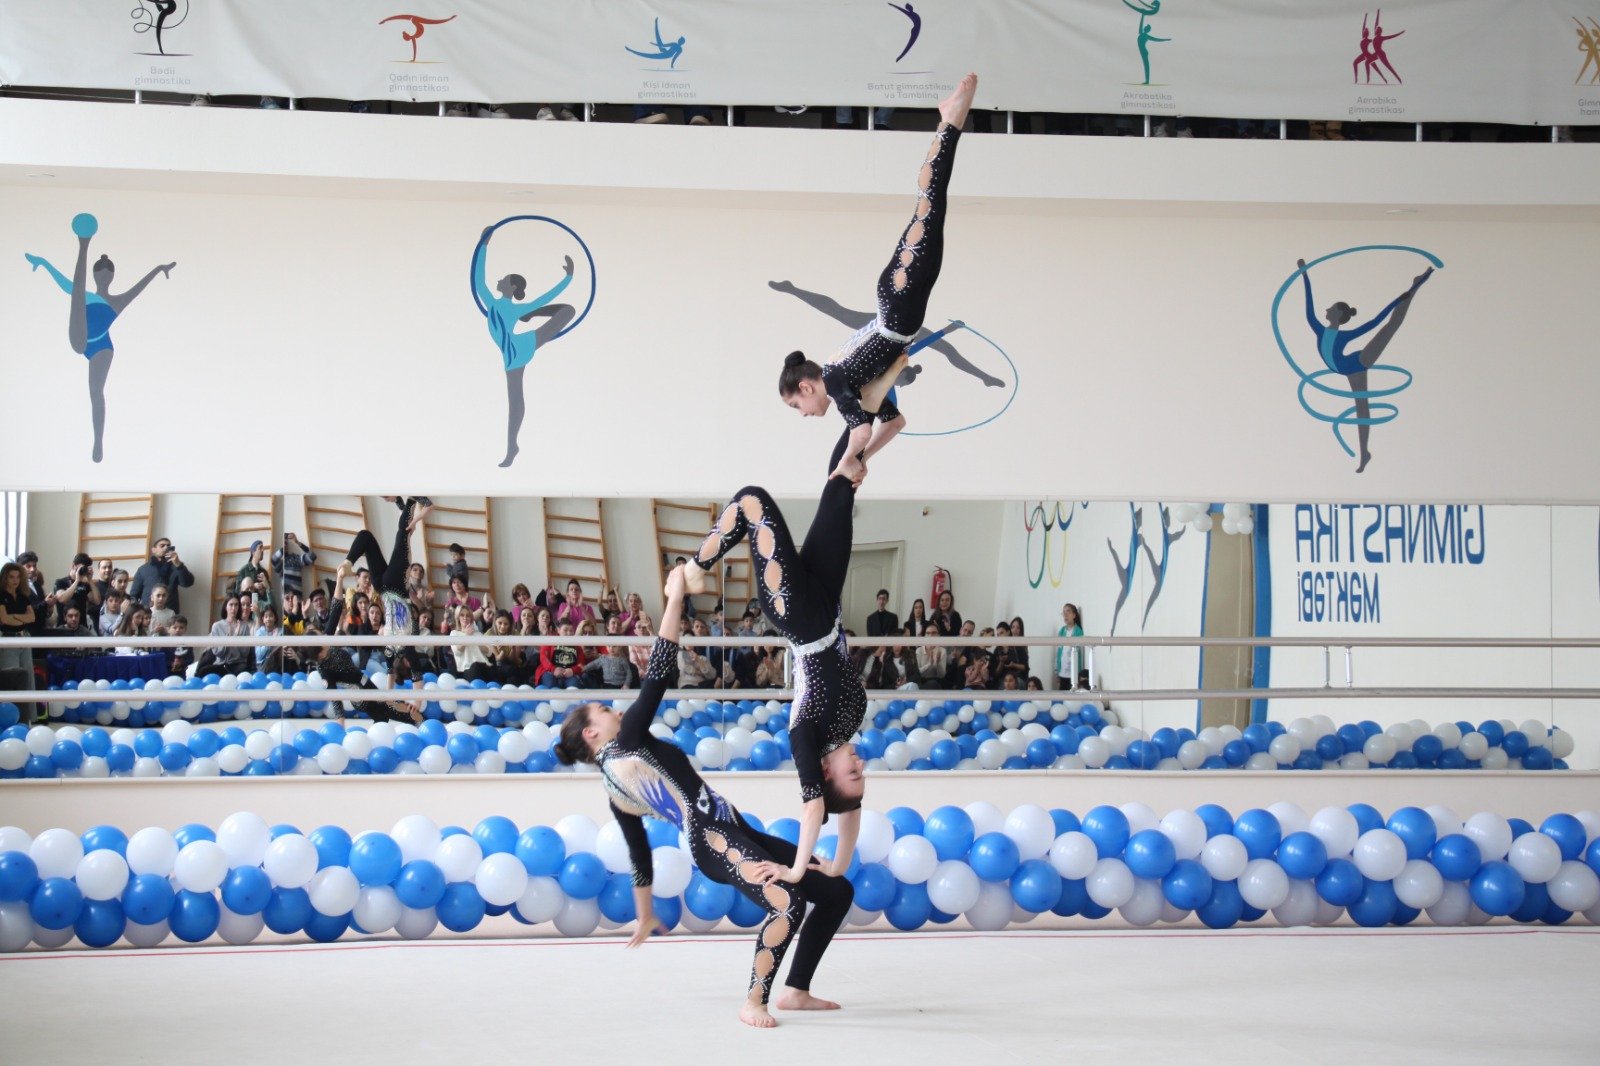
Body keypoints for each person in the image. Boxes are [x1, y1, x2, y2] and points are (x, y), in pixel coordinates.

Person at [553, 564, 853, 1028]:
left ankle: (796, 990)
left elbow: (639, 856)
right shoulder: (626, 740)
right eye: (606, 710)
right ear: (593, 732)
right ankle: (754, 1001)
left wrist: (645, 915)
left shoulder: (614, 787)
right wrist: (674, 598)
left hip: (732, 829)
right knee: (786, 902)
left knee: (835, 891)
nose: (616, 710)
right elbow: (659, 670)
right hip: (714, 838)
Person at [775, 74, 978, 484]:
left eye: (797, 406)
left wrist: (845, 462)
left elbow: (861, 428)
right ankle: (949, 123)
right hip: (903, 306)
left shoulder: (834, 379)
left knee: (929, 208)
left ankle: (950, 122)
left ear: (807, 388)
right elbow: (895, 422)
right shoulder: (843, 380)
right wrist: (863, 459)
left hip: (898, 301)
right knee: (930, 211)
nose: (804, 416)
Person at [684, 473, 868, 879]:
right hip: (827, 602)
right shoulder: (850, 722)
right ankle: (864, 416)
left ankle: (693, 570)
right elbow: (850, 810)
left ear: (825, 774)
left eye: (852, 771)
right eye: (862, 770)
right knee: (841, 487)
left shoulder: (804, 734)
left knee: (753, 501)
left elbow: (814, 807)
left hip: (796, 613)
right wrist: (838, 865)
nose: (860, 762)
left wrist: (797, 871)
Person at [24, 216, 176, 463]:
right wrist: (42, 263)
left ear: (111, 276)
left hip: (101, 346)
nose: (104, 275)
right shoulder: (86, 294)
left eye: (107, 272)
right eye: (101, 271)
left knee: (95, 391)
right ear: (97, 275)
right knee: (76, 293)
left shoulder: (118, 300)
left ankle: (98, 441)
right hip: (80, 335)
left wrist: (159, 270)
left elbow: (140, 287)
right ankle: (84, 244)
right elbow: (64, 281)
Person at [1296, 257, 1434, 472]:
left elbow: (1374, 322)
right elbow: (1309, 307)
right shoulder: (1319, 329)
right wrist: (1304, 274)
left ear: (1338, 315)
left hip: (1357, 362)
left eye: (1330, 309)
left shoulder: (1344, 335)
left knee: (1390, 327)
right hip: (1346, 368)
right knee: (1362, 408)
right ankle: (1365, 453)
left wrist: (1398, 300)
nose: (1326, 310)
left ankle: (1415, 287)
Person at [472, 227, 576, 467]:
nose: (499, 280)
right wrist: (483, 244)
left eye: (504, 279)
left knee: (567, 310)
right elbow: (478, 279)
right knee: (515, 399)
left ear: (510, 288)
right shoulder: (494, 303)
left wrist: (568, 278)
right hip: (516, 349)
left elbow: (545, 298)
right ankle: (512, 446)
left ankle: (511, 446)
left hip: (518, 347)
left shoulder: (500, 305)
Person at [335, 495, 433, 638]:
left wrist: (414, 522)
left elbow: (429, 506)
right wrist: (398, 502)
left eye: (386, 496)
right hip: (387, 587)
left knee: (393, 531)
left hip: (392, 586)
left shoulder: (414, 495)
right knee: (368, 536)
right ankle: (348, 563)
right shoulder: (407, 512)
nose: (385, 499)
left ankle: (348, 562)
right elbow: (405, 514)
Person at [309, 636, 423, 724]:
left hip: (364, 681)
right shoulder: (324, 669)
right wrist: (340, 720)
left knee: (383, 715)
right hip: (357, 694)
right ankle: (416, 720)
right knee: (386, 709)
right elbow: (334, 696)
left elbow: (333, 618)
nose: (323, 636)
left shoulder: (331, 649)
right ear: (319, 654)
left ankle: (415, 720)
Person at [0, 562, 38, 707]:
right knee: (11, 677)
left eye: (17, 577)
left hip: (24, 638)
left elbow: (32, 617)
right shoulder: (1, 595)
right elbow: (4, 619)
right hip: (8, 639)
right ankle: (9, 715)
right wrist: (22, 617)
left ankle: (28, 718)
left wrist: (14, 616)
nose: (15, 580)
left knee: (28, 678)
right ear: (5, 578)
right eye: (11, 577)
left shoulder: (23, 595)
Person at [130, 536, 195, 612]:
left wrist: (179, 565)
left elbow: (187, 583)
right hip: (147, 614)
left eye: (168, 546)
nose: (165, 548)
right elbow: (134, 595)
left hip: (171, 613)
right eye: (162, 546)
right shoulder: (143, 569)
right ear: (153, 550)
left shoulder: (176, 567)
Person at [51, 553, 102, 630]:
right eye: (81, 567)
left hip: (81, 628)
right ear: (73, 566)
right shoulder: (60, 582)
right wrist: (77, 580)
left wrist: (90, 580)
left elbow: (97, 601)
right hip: (63, 627)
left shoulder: (85, 584)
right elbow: (62, 599)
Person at [273, 533, 317, 599]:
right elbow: (273, 560)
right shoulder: (280, 564)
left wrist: (297, 542)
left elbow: (312, 556)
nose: (285, 545)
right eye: (283, 543)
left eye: (286, 543)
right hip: (286, 602)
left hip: (298, 601)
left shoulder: (295, 558)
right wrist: (282, 550)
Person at [1056, 603, 1084, 690]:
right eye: (1063, 613)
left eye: (1068, 612)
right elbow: (1058, 652)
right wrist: (1056, 670)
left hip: (1074, 673)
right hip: (1062, 672)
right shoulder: (1061, 631)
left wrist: (1080, 674)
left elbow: (1081, 654)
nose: (1065, 615)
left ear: (1074, 615)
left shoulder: (1078, 632)